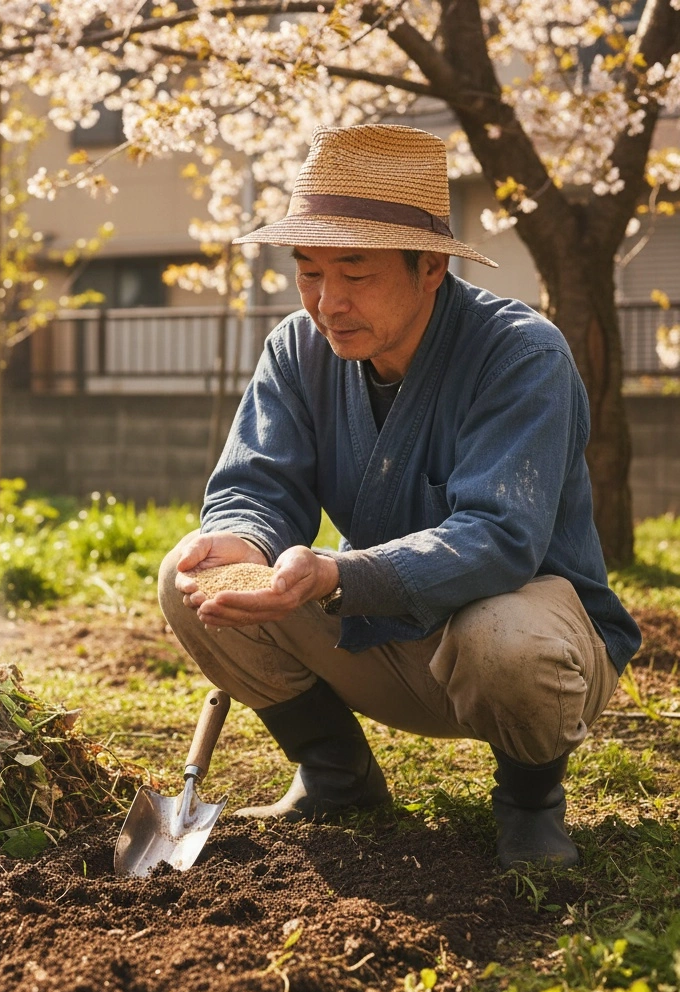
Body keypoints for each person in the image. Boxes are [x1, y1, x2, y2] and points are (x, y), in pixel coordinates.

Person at [158, 123, 642, 871]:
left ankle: (530, 798)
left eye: (357, 272)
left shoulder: (521, 354)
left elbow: (500, 537)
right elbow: (258, 483)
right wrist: (245, 543)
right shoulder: (298, 349)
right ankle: (337, 775)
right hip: (385, 639)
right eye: (310, 271)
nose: (329, 301)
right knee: (188, 576)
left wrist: (339, 575)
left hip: (531, 649)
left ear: (430, 270)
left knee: (501, 637)